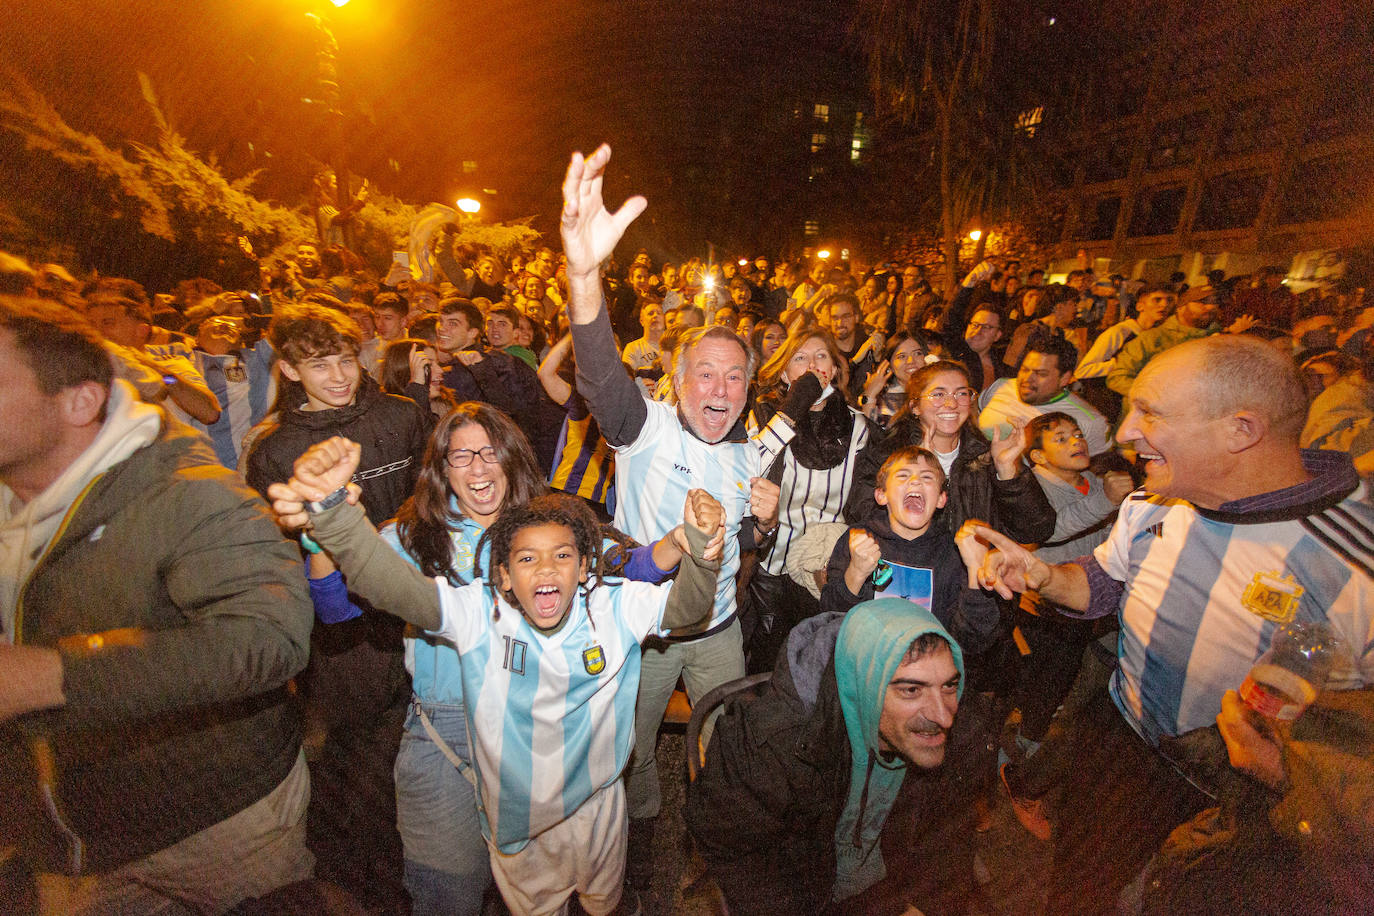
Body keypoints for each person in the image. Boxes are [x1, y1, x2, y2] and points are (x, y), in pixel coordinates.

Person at [967, 334, 1374, 915]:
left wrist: (1296, 773)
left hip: (1247, 799)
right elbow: (1103, 584)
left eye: (1150, 413)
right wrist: (1044, 576)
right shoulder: (1150, 503)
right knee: (1081, 887)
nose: (1125, 430)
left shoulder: (1357, 563)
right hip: (1120, 744)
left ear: (1241, 429)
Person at [268, 438, 723, 916]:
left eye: (563, 556)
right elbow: (392, 586)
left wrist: (701, 552)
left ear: (587, 567)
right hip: (520, 826)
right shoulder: (478, 613)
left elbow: (687, 609)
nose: (546, 567)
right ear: (501, 576)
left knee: (602, 902)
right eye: (527, 559)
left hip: (601, 807)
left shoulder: (614, 604)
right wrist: (334, 514)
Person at [0, 296, 314, 912]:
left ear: (79, 401)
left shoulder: (191, 497)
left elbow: (269, 639)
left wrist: (55, 675)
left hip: (214, 829)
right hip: (60, 842)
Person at [559, 144, 797, 887]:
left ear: (748, 388)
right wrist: (585, 273)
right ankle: (640, 849)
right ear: (677, 377)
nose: (719, 388)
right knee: (628, 750)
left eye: (735, 376)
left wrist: (764, 523)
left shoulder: (753, 452)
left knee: (723, 749)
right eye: (705, 373)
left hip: (719, 633)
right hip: (648, 633)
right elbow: (596, 372)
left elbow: (741, 554)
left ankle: (709, 842)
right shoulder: (645, 426)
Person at [243, 303, 428, 908]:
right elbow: (271, 545)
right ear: (291, 371)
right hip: (344, 624)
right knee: (364, 755)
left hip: (420, 603)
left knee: (432, 735)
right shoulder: (275, 448)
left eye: (346, 358)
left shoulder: (400, 417)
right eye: (319, 365)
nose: (340, 375)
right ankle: (379, 879)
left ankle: (436, 860)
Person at [685, 598, 995, 915]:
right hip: (807, 894)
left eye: (948, 686)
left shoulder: (963, 729)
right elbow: (732, 844)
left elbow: (950, 836)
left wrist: (924, 903)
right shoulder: (776, 742)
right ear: (863, 686)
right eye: (911, 690)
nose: (943, 716)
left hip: (892, 885)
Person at [745, 326, 878, 672]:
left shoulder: (859, 426)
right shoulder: (765, 416)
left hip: (826, 564)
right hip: (772, 561)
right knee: (769, 656)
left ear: (834, 368)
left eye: (821, 356)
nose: (811, 364)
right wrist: (794, 407)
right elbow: (747, 469)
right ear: (786, 370)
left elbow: (865, 502)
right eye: (799, 358)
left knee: (817, 662)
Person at [847, 360, 1054, 547]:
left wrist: (1008, 472)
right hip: (912, 577)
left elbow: (1036, 530)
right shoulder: (886, 454)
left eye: (961, 393)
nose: (951, 403)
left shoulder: (986, 456)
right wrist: (921, 478)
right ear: (915, 406)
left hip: (976, 579)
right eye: (938, 394)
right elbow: (860, 517)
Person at [821, 447, 1001, 655]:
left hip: (928, 670)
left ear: (942, 499)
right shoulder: (858, 539)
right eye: (903, 475)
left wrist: (975, 572)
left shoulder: (954, 553)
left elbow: (973, 641)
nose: (915, 481)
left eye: (927, 477)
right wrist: (856, 572)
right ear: (881, 495)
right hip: (866, 663)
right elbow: (830, 618)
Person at [979, 334, 1113, 456]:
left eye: (1041, 374)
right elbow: (974, 412)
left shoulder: (1090, 422)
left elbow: (1098, 470)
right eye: (1025, 369)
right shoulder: (1002, 386)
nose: (1027, 378)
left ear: (1064, 379)